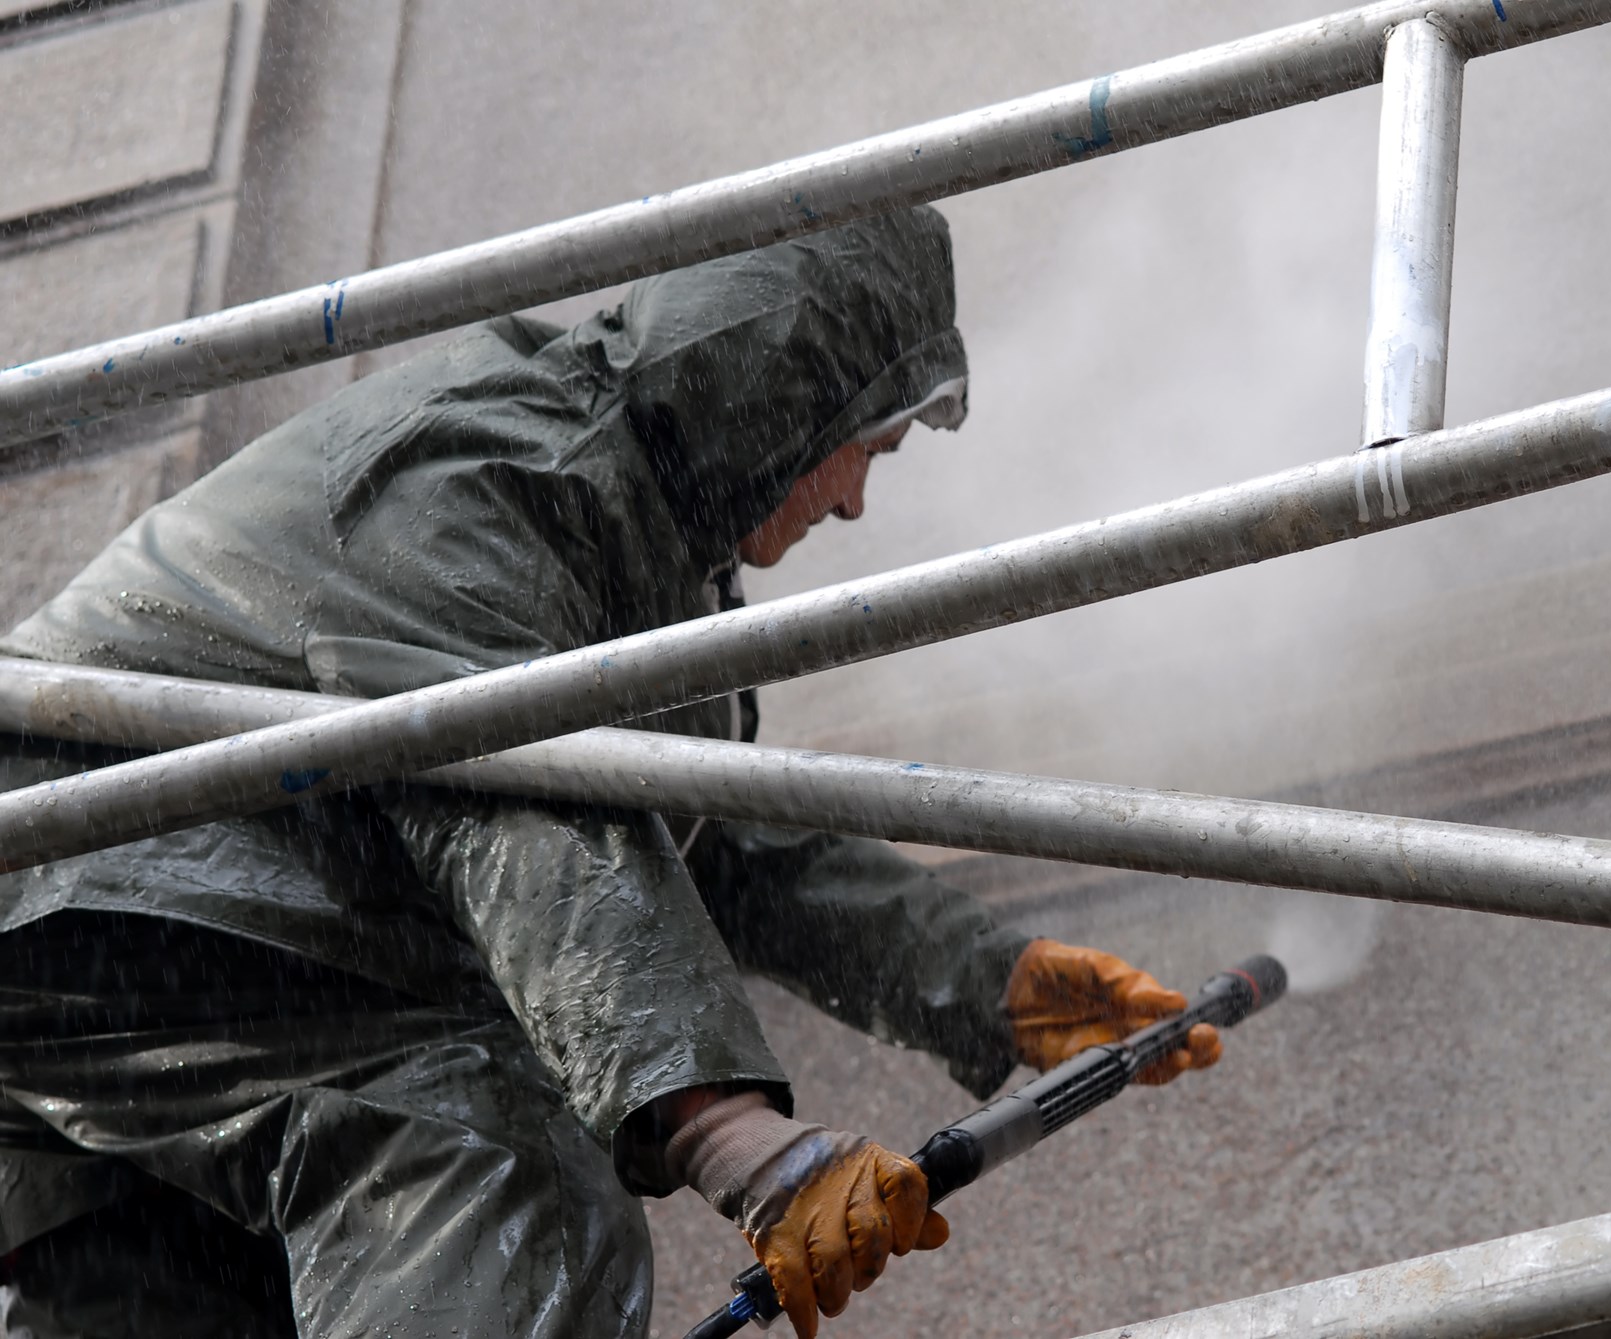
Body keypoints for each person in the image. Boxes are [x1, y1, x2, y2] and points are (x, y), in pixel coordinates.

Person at [0, 207, 1221, 1339]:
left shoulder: (629, 528)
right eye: (868, 448)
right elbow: (510, 793)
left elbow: (703, 848)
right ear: (782, 406)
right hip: (112, 883)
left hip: (146, 939)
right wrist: (733, 1136)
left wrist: (985, 977)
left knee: (222, 1290)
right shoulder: (490, 469)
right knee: (505, 1181)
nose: (853, 503)